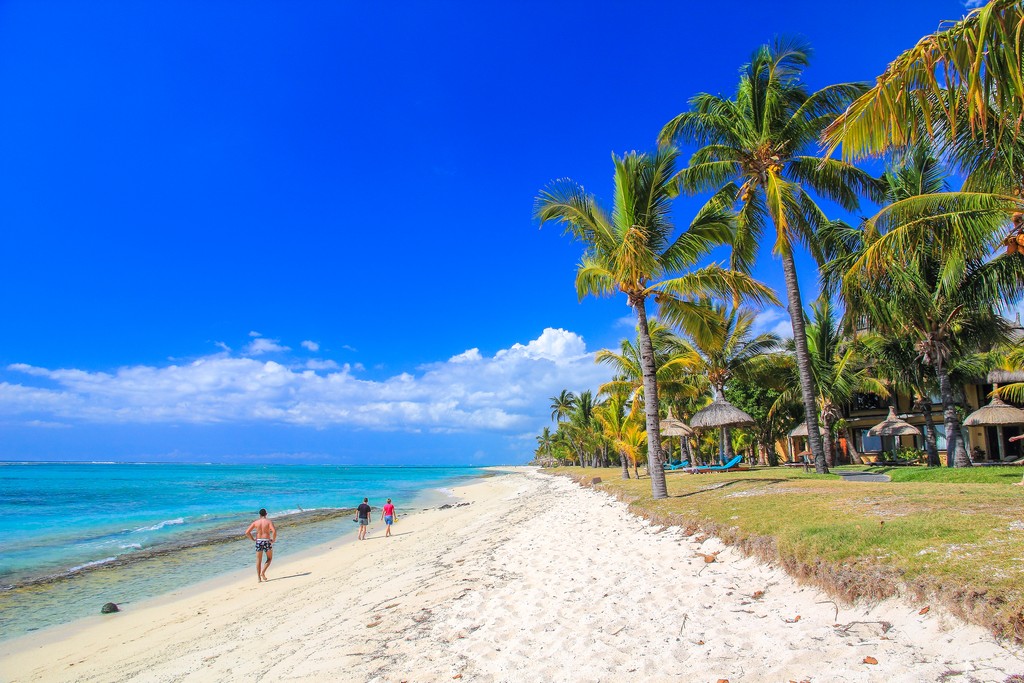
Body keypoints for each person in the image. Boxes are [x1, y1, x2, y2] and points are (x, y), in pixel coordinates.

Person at [244, 508, 277, 583]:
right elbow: (274, 531)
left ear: (259, 515)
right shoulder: (269, 522)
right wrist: (273, 539)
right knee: (269, 558)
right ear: (266, 514)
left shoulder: (256, 522)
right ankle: (263, 572)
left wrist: (252, 539)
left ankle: (259, 578)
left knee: (258, 560)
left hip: (258, 541)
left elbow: (247, 532)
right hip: (267, 541)